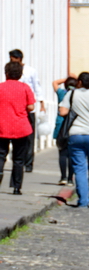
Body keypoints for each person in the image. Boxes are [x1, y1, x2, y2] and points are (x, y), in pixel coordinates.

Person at [59, 72, 89, 208]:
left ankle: (83, 201)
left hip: (76, 134)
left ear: (79, 82)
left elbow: (62, 112)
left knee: (80, 168)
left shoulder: (72, 94)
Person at [0, 61, 35, 194]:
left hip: (2, 126)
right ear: (20, 75)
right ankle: (16, 186)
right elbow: (31, 106)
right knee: (19, 158)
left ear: (6, 73)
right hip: (21, 126)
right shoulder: (25, 88)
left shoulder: (0, 87)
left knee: (1, 155)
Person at [8, 49, 45, 173]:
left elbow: (37, 86)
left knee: (29, 137)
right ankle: (18, 161)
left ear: (19, 59)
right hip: (13, 107)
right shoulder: (10, 71)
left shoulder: (30, 71)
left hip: (27, 108)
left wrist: (41, 102)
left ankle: (28, 163)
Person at [52, 76, 76, 185]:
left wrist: (66, 78)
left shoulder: (61, 93)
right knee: (72, 154)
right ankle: (71, 179)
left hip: (61, 125)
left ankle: (63, 177)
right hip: (72, 125)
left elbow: (55, 82)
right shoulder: (76, 95)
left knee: (62, 152)